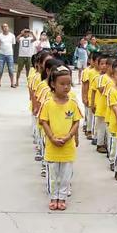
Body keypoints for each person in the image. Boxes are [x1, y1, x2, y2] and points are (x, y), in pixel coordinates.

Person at [39, 65, 81, 211]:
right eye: (62, 84)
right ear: (53, 84)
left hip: (67, 147)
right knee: (53, 174)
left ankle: (62, 197)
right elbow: (43, 121)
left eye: (68, 84)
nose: (66, 87)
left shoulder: (73, 103)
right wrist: (51, 137)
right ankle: (53, 197)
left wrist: (70, 136)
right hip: (52, 146)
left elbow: (76, 121)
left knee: (65, 175)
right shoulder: (48, 103)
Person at [0, 23, 16, 88]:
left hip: (10, 55)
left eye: (6, 26)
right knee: (0, 69)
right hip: (2, 55)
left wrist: (9, 51)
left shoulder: (12, 36)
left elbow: (13, 45)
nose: (5, 28)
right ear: (2, 28)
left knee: (11, 69)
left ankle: (12, 83)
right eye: (4, 27)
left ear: (8, 27)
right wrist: (3, 50)